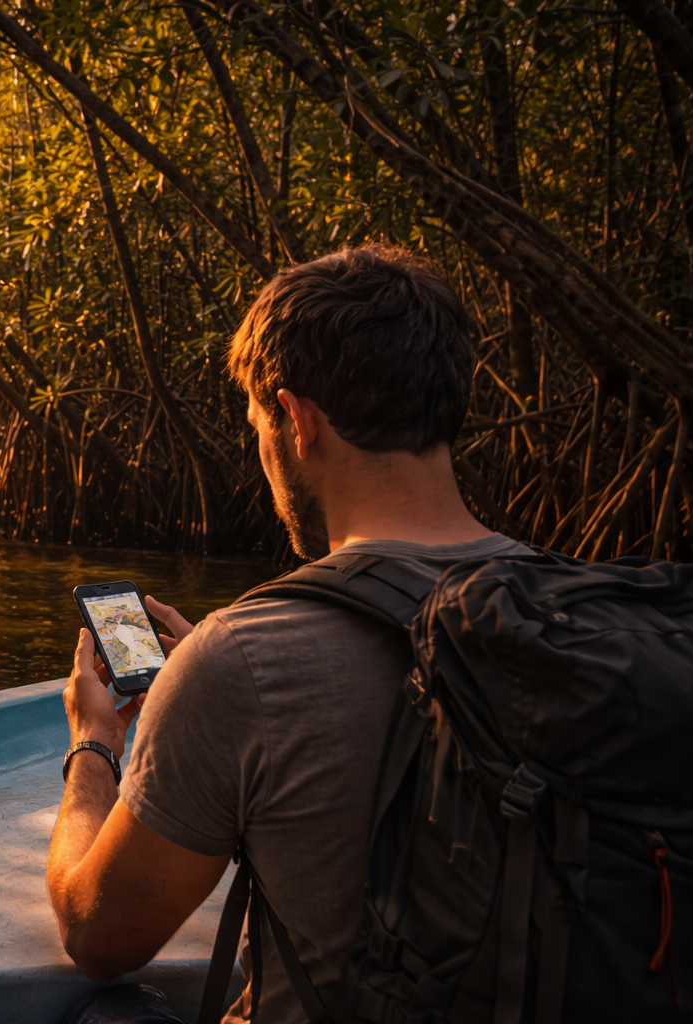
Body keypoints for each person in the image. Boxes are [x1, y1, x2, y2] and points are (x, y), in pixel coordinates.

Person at [52, 245, 531, 1024]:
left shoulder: (237, 664)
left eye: (258, 425)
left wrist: (93, 749)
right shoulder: (578, 609)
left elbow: (94, 933)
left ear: (298, 422)